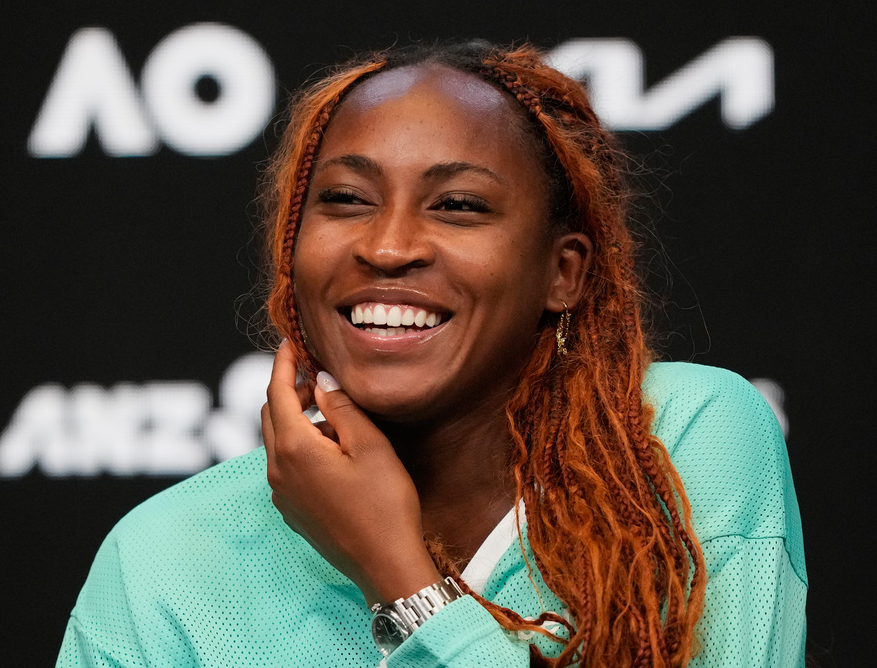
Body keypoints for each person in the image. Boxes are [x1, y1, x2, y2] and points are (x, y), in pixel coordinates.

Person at [56, 41, 807, 668]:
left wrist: (399, 577)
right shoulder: (162, 560)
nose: (386, 246)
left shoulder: (680, 442)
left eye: (458, 205)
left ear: (563, 272)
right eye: (347, 198)